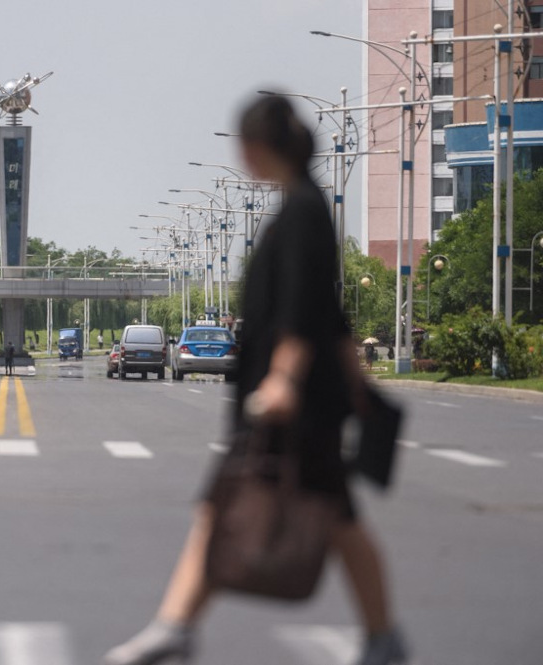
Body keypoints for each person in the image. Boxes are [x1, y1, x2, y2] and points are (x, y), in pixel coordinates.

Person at [104, 95, 408, 665]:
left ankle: (178, 626)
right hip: (302, 402)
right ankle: (179, 625)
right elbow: (331, 316)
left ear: (259, 145)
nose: (241, 156)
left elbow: (299, 312)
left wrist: (285, 382)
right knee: (318, 517)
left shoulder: (302, 212)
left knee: (258, 510)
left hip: (293, 407)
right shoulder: (302, 206)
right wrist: (359, 386)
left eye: (242, 144)